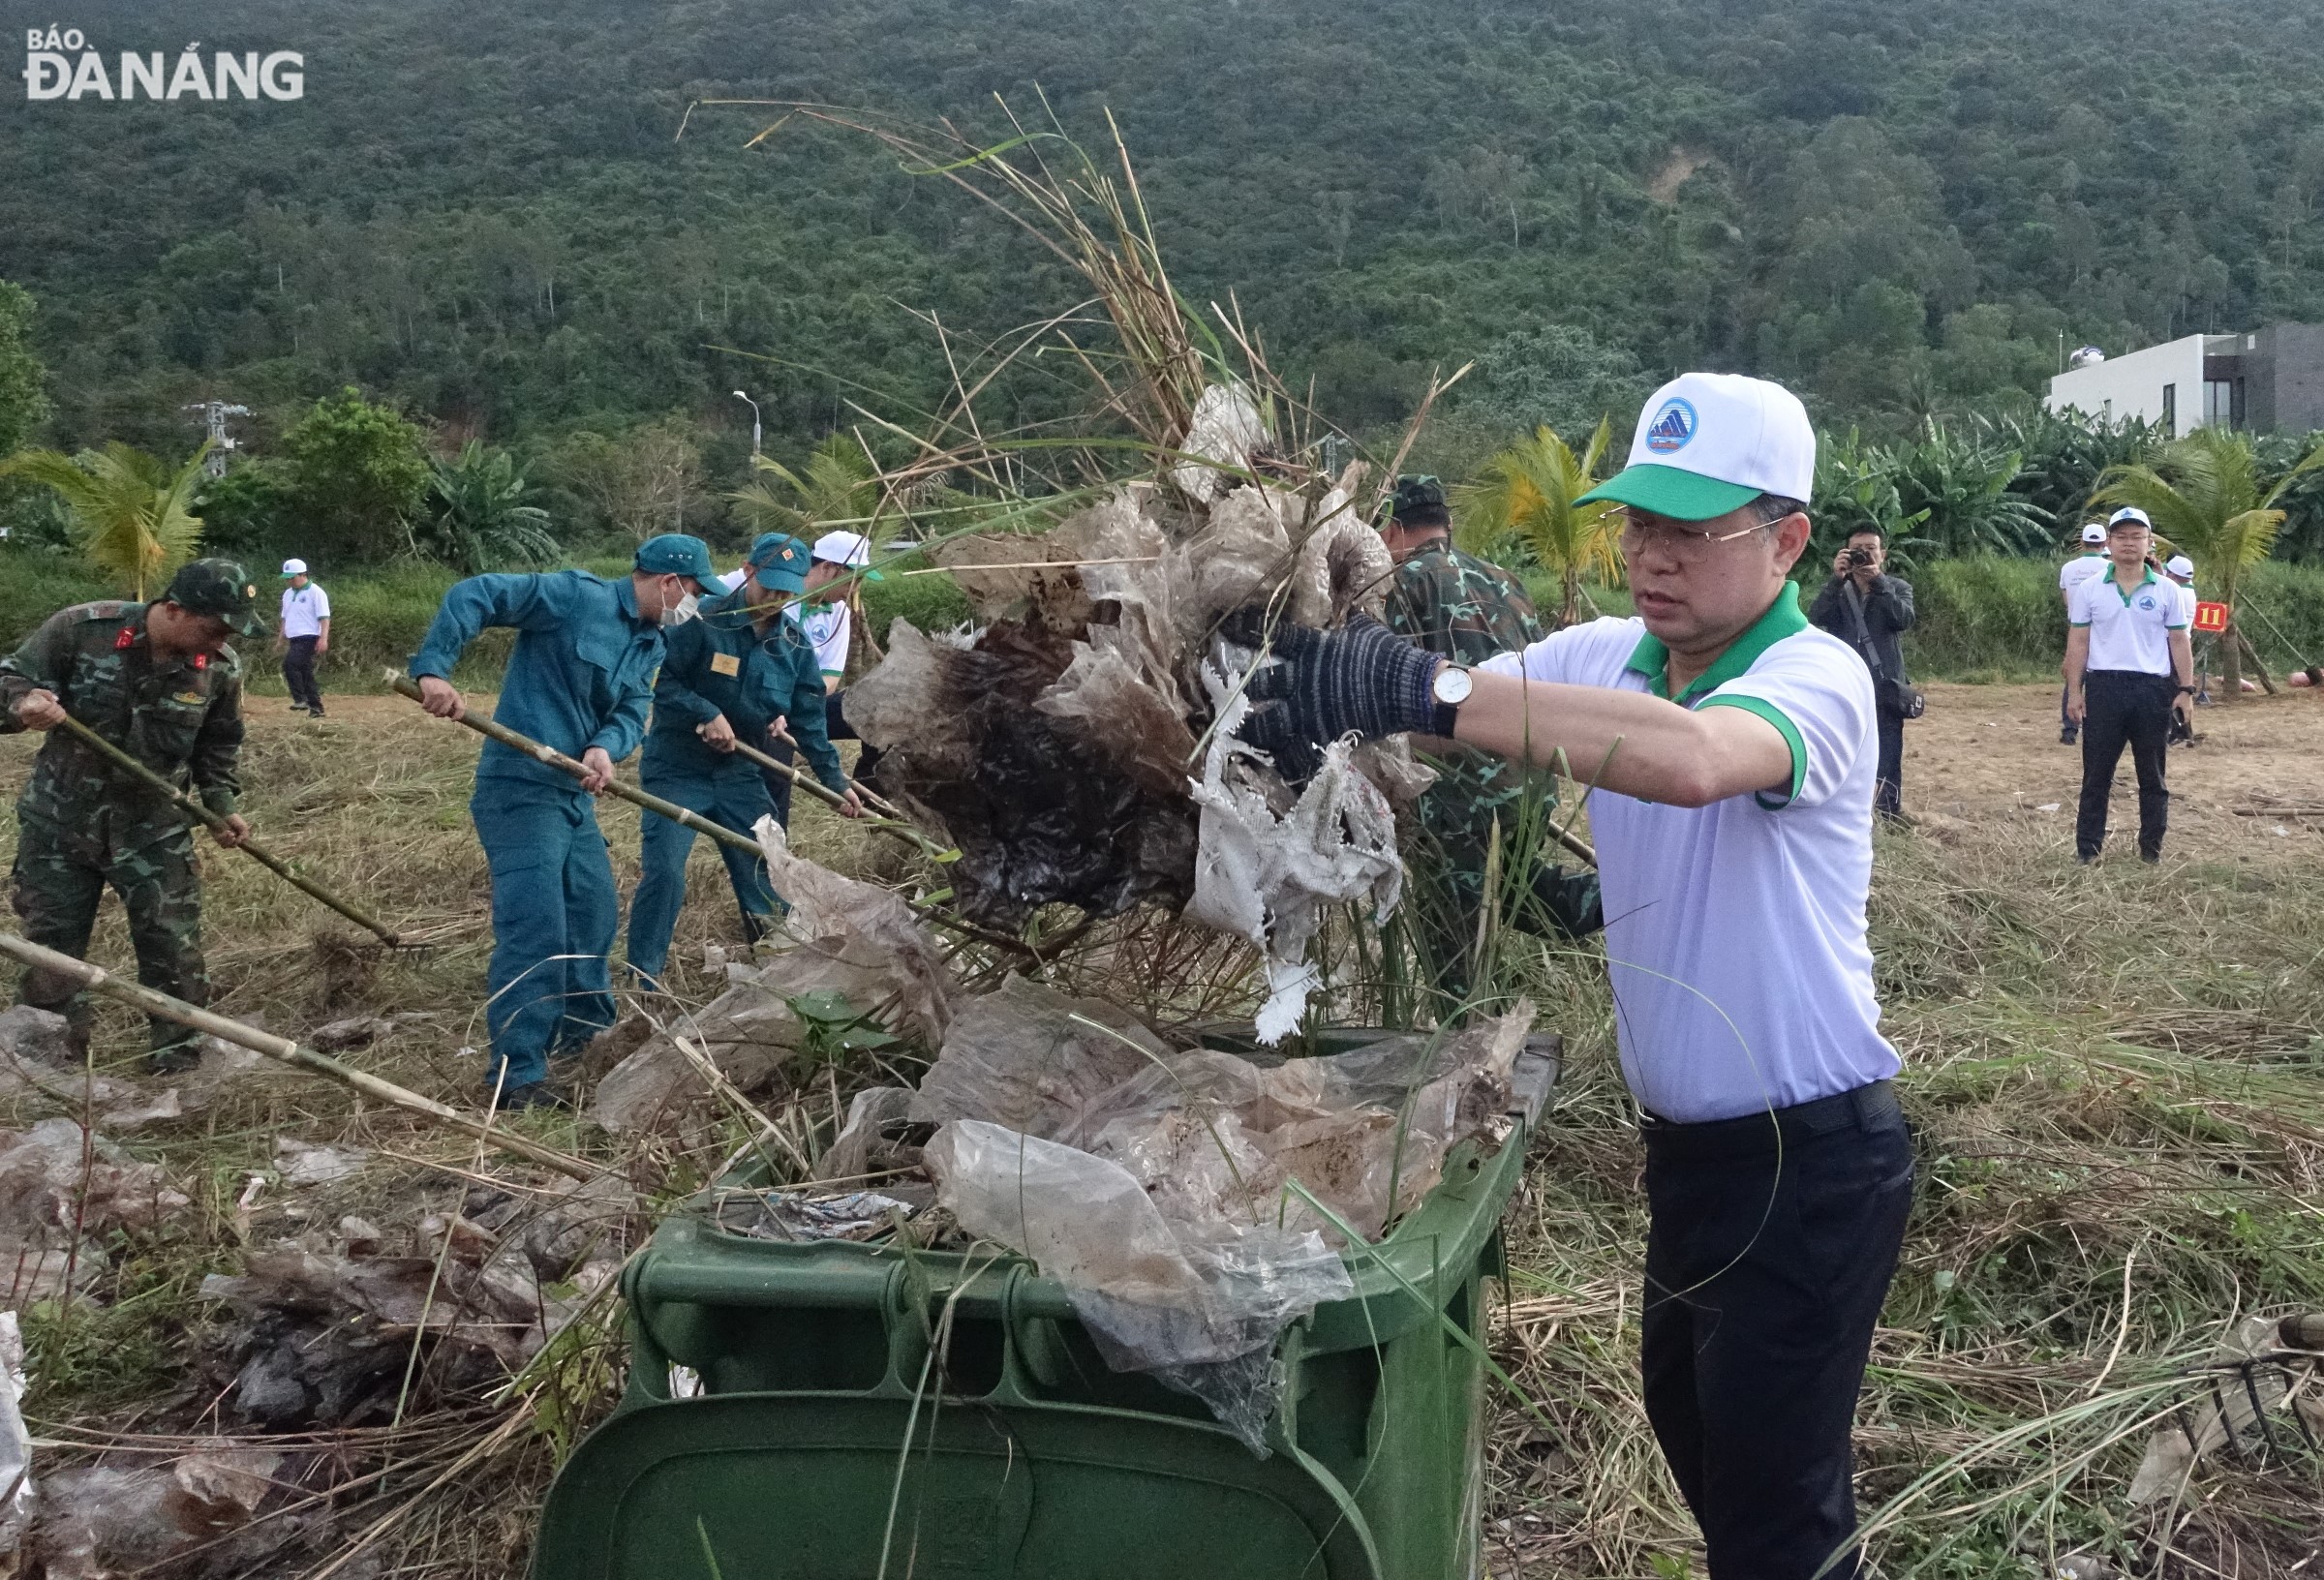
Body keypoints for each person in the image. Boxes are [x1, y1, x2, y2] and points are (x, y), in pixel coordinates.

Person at [1233, 373, 1910, 1580]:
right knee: (1706, 1447)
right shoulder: (1610, 654)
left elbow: (1699, 761)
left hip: (1809, 1164)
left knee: (1779, 1513)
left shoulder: (1820, 677)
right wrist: (1300, 683)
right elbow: (1475, 711)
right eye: (1640, 525)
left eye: (1692, 532)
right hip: (1693, 1158)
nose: (1654, 557)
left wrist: (1421, 688)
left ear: (1787, 538)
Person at [409, 533, 719, 1109]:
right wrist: (433, 669)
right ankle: (517, 1073)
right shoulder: (575, 598)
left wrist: (606, 748)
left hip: (573, 799)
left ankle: (586, 1037)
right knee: (538, 929)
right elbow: (477, 594)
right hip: (521, 791)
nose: (693, 605)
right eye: (695, 592)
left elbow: (632, 710)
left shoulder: (651, 643)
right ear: (669, 581)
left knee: (594, 913)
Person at [0, 559, 263, 1070]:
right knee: (53, 948)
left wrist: (220, 806)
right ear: (172, 609)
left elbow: (218, 747)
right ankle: (47, 1065)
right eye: (214, 628)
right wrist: (22, 704)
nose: (220, 641)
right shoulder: (80, 630)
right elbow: (7, 679)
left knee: (173, 946)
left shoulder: (220, 670)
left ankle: (179, 1063)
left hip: (154, 830)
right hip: (61, 824)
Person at [1378, 474, 1598, 1001]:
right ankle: (1599, 901)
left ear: (1389, 530)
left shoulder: (1397, 585)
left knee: (1455, 945)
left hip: (1455, 798)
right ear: (1446, 524)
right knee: (1509, 887)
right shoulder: (1504, 580)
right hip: (1530, 779)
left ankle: (1469, 1037)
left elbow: (1382, 695)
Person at [625, 533, 862, 989]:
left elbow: (809, 721)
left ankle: (779, 978)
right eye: (769, 586)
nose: (776, 599)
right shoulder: (700, 622)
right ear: (748, 571)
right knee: (666, 873)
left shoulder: (792, 645)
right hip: (678, 768)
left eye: (787, 591)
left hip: (739, 774)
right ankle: (643, 983)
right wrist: (706, 712)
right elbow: (660, 683)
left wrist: (836, 783)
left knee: (766, 871)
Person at [2064, 507, 2193, 864]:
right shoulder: (2090, 589)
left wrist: (2186, 690)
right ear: (2109, 543)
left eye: (2137, 536)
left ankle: (2151, 852)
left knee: (2152, 777)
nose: (2128, 543)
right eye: (2121, 536)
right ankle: (2087, 852)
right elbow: (2078, 642)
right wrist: (2075, 692)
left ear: (2149, 542)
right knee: (2096, 777)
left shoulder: (2168, 590)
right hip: (2104, 688)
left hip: (2152, 690)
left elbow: (2179, 642)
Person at [764, 529, 885, 818]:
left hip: (807, 704)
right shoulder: (778, 599)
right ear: (829, 568)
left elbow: (829, 679)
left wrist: (797, 706)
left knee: (880, 710)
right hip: (765, 707)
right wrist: (775, 707)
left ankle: (873, 805)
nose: (855, 588)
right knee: (776, 769)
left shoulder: (839, 613)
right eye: (853, 579)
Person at [1807, 526, 1917, 820]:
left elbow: (1903, 619)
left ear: (1883, 554)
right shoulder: (1839, 591)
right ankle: (1847, 812)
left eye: (1871, 548)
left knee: (1888, 753)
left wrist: (1879, 583)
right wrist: (1835, 579)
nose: (1865, 554)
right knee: (1844, 752)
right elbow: (1815, 617)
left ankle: (1888, 815)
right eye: (1858, 549)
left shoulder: (1897, 587)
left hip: (1885, 686)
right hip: (1844, 685)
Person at [2057, 524, 2110, 744]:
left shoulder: (2068, 568)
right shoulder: (2110, 567)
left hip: (2077, 627)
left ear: (2082, 543)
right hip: (2105, 630)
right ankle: (2103, 728)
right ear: (2106, 543)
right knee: (2104, 679)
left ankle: (2070, 730)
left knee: (2073, 678)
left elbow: (2066, 599)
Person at [276, 558, 331, 717]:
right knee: (306, 672)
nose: (289, 581)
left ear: (302, 574)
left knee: (290, 664)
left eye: (292, 578)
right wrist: (281, 638)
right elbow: (285, 618)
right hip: (294, 637)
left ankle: (300, 699)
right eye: (287, 578)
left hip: (309, 636)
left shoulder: (316, 592)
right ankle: (316, 708)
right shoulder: (287, 594)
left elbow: (324, 618)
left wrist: (323, 638)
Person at [2161, 554, 2208, 706]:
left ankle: (2178, 728)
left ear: (2173, 575)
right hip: (2180, 643)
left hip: (2172, 645)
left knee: (2171, 691)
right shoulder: (2188, 590)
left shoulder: (2177, 593)